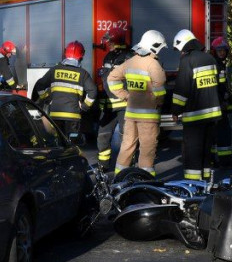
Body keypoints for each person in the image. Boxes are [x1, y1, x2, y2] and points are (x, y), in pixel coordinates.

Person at [108, 30, 167, 176]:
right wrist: (157, 102)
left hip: (131, 114)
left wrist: (126, 96)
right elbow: (160, 88)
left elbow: (112, 78)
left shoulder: (130, 62)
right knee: (147, 149)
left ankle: (119, 177)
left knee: (127, 146)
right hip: (148, 117)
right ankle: (145, 181)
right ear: (155, 46)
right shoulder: (153, 64)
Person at [172, 29, 222, 180]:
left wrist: (175, 111)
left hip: (195, 116)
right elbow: (218, 85)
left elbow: (182, 89)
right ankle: (207, 180)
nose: (180, 53)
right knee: (207, 150)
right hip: (213, 115)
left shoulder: (187, 61)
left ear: (184, 45)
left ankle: (193, 185)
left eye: (179, 50)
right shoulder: (210, 59)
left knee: (192, 151)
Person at [32, 41, 97, 136]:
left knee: (58, 141)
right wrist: (84, 106)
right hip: (73, 116)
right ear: (81, 56)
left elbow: (40, 85)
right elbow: (93, 92)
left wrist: (46, 97)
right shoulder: (83, 73)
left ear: (66, 54)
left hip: (55, 115)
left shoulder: (55, 70)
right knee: (71, 143)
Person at [95, 28, 131, 171]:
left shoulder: (129, 56)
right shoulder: (108, 56)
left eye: (109, 41)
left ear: (116, 41)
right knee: (102, 137)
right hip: (108, 106)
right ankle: (103, 166)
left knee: (126, 137)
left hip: (124, 105)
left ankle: (127, 167)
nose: (108, 43)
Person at [208, 36, 232, 168]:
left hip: (217, 105)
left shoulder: (218, 64)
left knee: (215, 134)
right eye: (219, 50)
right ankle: (225, 161)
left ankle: (212, 160)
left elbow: (222, 86)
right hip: (218, 106)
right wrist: (223, 100)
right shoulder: (216, 65)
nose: (222, 53)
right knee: (224, 133)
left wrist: (228, 96)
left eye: (224, 50)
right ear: (214, 51)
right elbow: (216, 87)